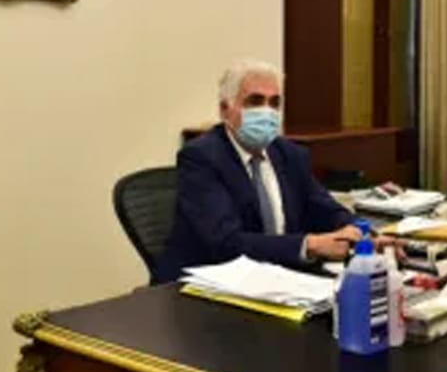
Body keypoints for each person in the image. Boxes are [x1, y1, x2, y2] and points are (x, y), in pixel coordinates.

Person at [154, 59, 363, 283]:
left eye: (274, 103)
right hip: (207, 285)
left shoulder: (290, 154)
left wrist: (358, 231)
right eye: (255, 101)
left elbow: (324, 208)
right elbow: (226, 243)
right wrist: (309, 245)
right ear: (225, 110)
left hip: (276, 280)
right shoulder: (201, 158)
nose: (266, 112)